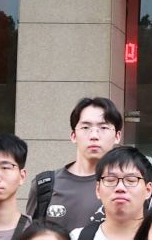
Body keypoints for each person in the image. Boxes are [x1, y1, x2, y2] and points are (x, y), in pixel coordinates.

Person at [26, 96, 122, 230]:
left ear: (117, 136)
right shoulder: (45, 185)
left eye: (103, 127)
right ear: (73, 136)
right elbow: (31, 237)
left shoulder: (127, 186)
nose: (94, 135)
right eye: (85, 127)